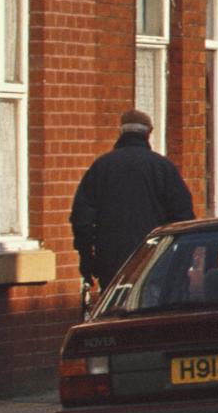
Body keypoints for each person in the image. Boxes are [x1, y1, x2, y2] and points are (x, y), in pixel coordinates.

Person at [70, 109, 193, 292]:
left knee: (116, 312)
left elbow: (82, 219)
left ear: (120, 132)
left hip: (112, 260)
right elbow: (183, 216)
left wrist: (87, 259)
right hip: (154, 258)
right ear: (148, 133)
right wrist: (181, 259)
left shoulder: (101, 167)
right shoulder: (163, 167)